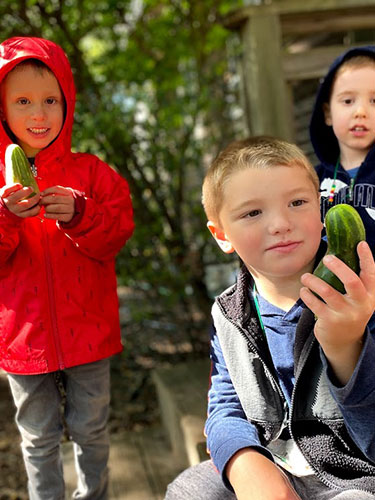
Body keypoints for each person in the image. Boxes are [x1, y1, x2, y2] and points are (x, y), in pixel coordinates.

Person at [165, 136, 375, 500]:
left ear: (322, 212)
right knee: (189, 489)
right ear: (221, 235)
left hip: (353, 477)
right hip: (276, 464)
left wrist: (348, 347)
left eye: (297, 203)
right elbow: (225, 407)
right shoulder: (229, 313)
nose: (280, 223)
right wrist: (244, 461)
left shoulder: (359, 296)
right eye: (252, 212)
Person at [0, 37, 134, 499]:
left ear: (67, 103)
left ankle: (94, 495)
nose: (39, 114)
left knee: (92, 430)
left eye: (50, 101)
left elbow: (117, 232)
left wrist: (81, 213)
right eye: (22, 102)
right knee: (37, 439)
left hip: (88, 329)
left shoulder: (91, 172)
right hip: (24, 336)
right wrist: (5, 218)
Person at [309, 46, 375, 251]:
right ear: (328, 113)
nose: (361, 111)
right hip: (327, 281)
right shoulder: (311, 180)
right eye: (348, 101)